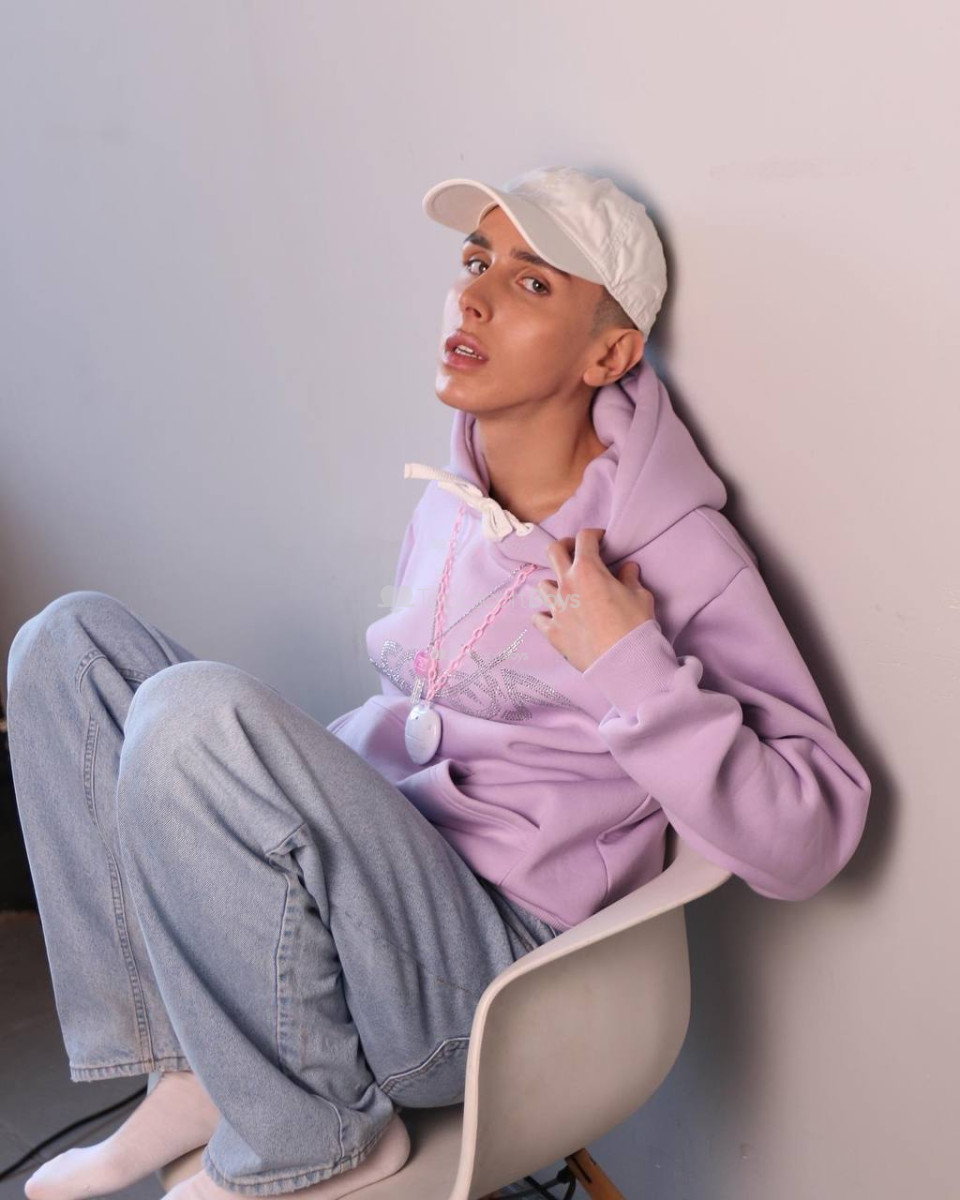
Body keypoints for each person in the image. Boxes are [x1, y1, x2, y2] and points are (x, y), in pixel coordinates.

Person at [5, 166, 871, 1200]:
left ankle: (314, 1138)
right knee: (66, 646)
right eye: (475, 262)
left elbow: (811, 835)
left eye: (533, 282)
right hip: (379, 906)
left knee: (190, 717)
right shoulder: (457, 499)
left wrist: (630, 663)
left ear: (609, 354)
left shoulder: (676, 550)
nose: (474, 297)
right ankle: (193, 1068)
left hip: (488, 985)